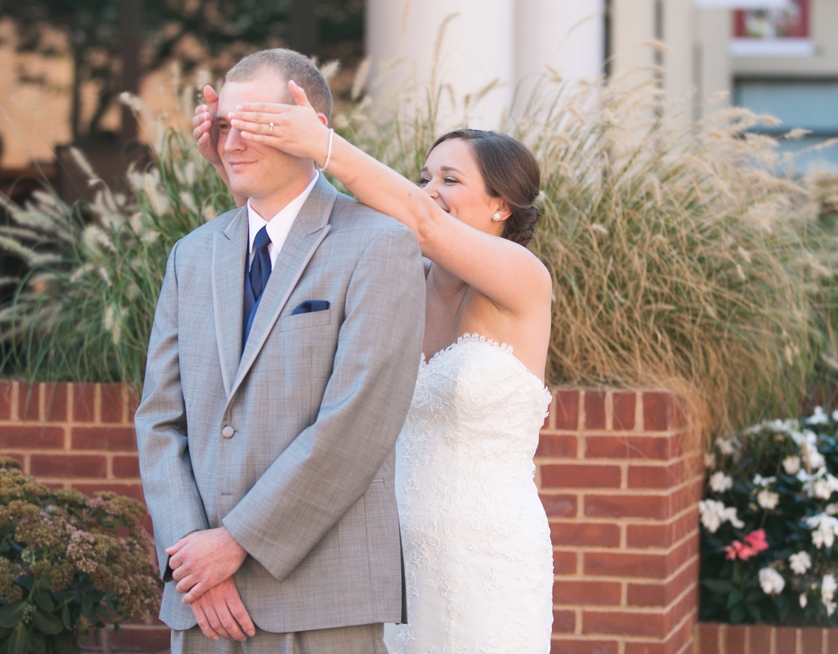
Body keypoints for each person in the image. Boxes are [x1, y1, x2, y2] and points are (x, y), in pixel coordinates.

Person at [193, 76, 554, 652]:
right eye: (424, 178)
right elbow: (303, 238)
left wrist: (322, 142)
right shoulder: (397, 273)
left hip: (488, 554)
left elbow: (424, 223)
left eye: (451, 179)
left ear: (500, 206)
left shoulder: (523, 280)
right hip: (389, 552)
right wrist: (239, 161)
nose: (429, 190)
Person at [136, 48, 425, 654]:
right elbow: (160, 420)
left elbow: (359, 419)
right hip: (203, 604)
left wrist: (235, 542)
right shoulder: (190, 255)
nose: (231, 142)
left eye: (256, 123)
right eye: (223, 126)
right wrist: (194, 558)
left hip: (321, 597)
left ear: (307, 126)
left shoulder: (380, 245)